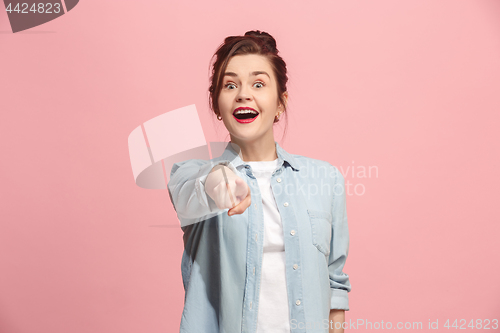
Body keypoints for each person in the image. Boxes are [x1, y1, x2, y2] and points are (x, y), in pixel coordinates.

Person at [167, 30, 351, 333]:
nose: (243, 93)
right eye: (230, 85)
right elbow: (194, 193)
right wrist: (220, 181)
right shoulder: (190, 174)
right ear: (216, 104)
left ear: (281, 102)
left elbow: (334, 281)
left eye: (258, 83)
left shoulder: (324, 178)